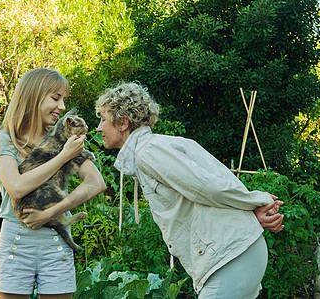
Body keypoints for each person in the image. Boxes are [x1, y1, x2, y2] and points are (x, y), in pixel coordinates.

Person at [94, 81, 284, 298]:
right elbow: (216, 179)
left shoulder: (149, 152)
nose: (99, 127)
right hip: (233, 254)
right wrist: (251, 210)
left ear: (122, 123)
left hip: (231, 257)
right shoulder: (154, 148)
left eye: (102, 119)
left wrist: (255, 201)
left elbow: (207, 187)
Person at [0, 68, 106, 299]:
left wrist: (49, 213)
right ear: (33, 96)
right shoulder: (3, 140)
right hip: (16, 242)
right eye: (55, 98)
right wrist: (63, 156)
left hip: (56, 242)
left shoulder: (64, 138)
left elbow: (96, 182)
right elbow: (17, 187)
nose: (61, 107)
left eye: (64, 100)